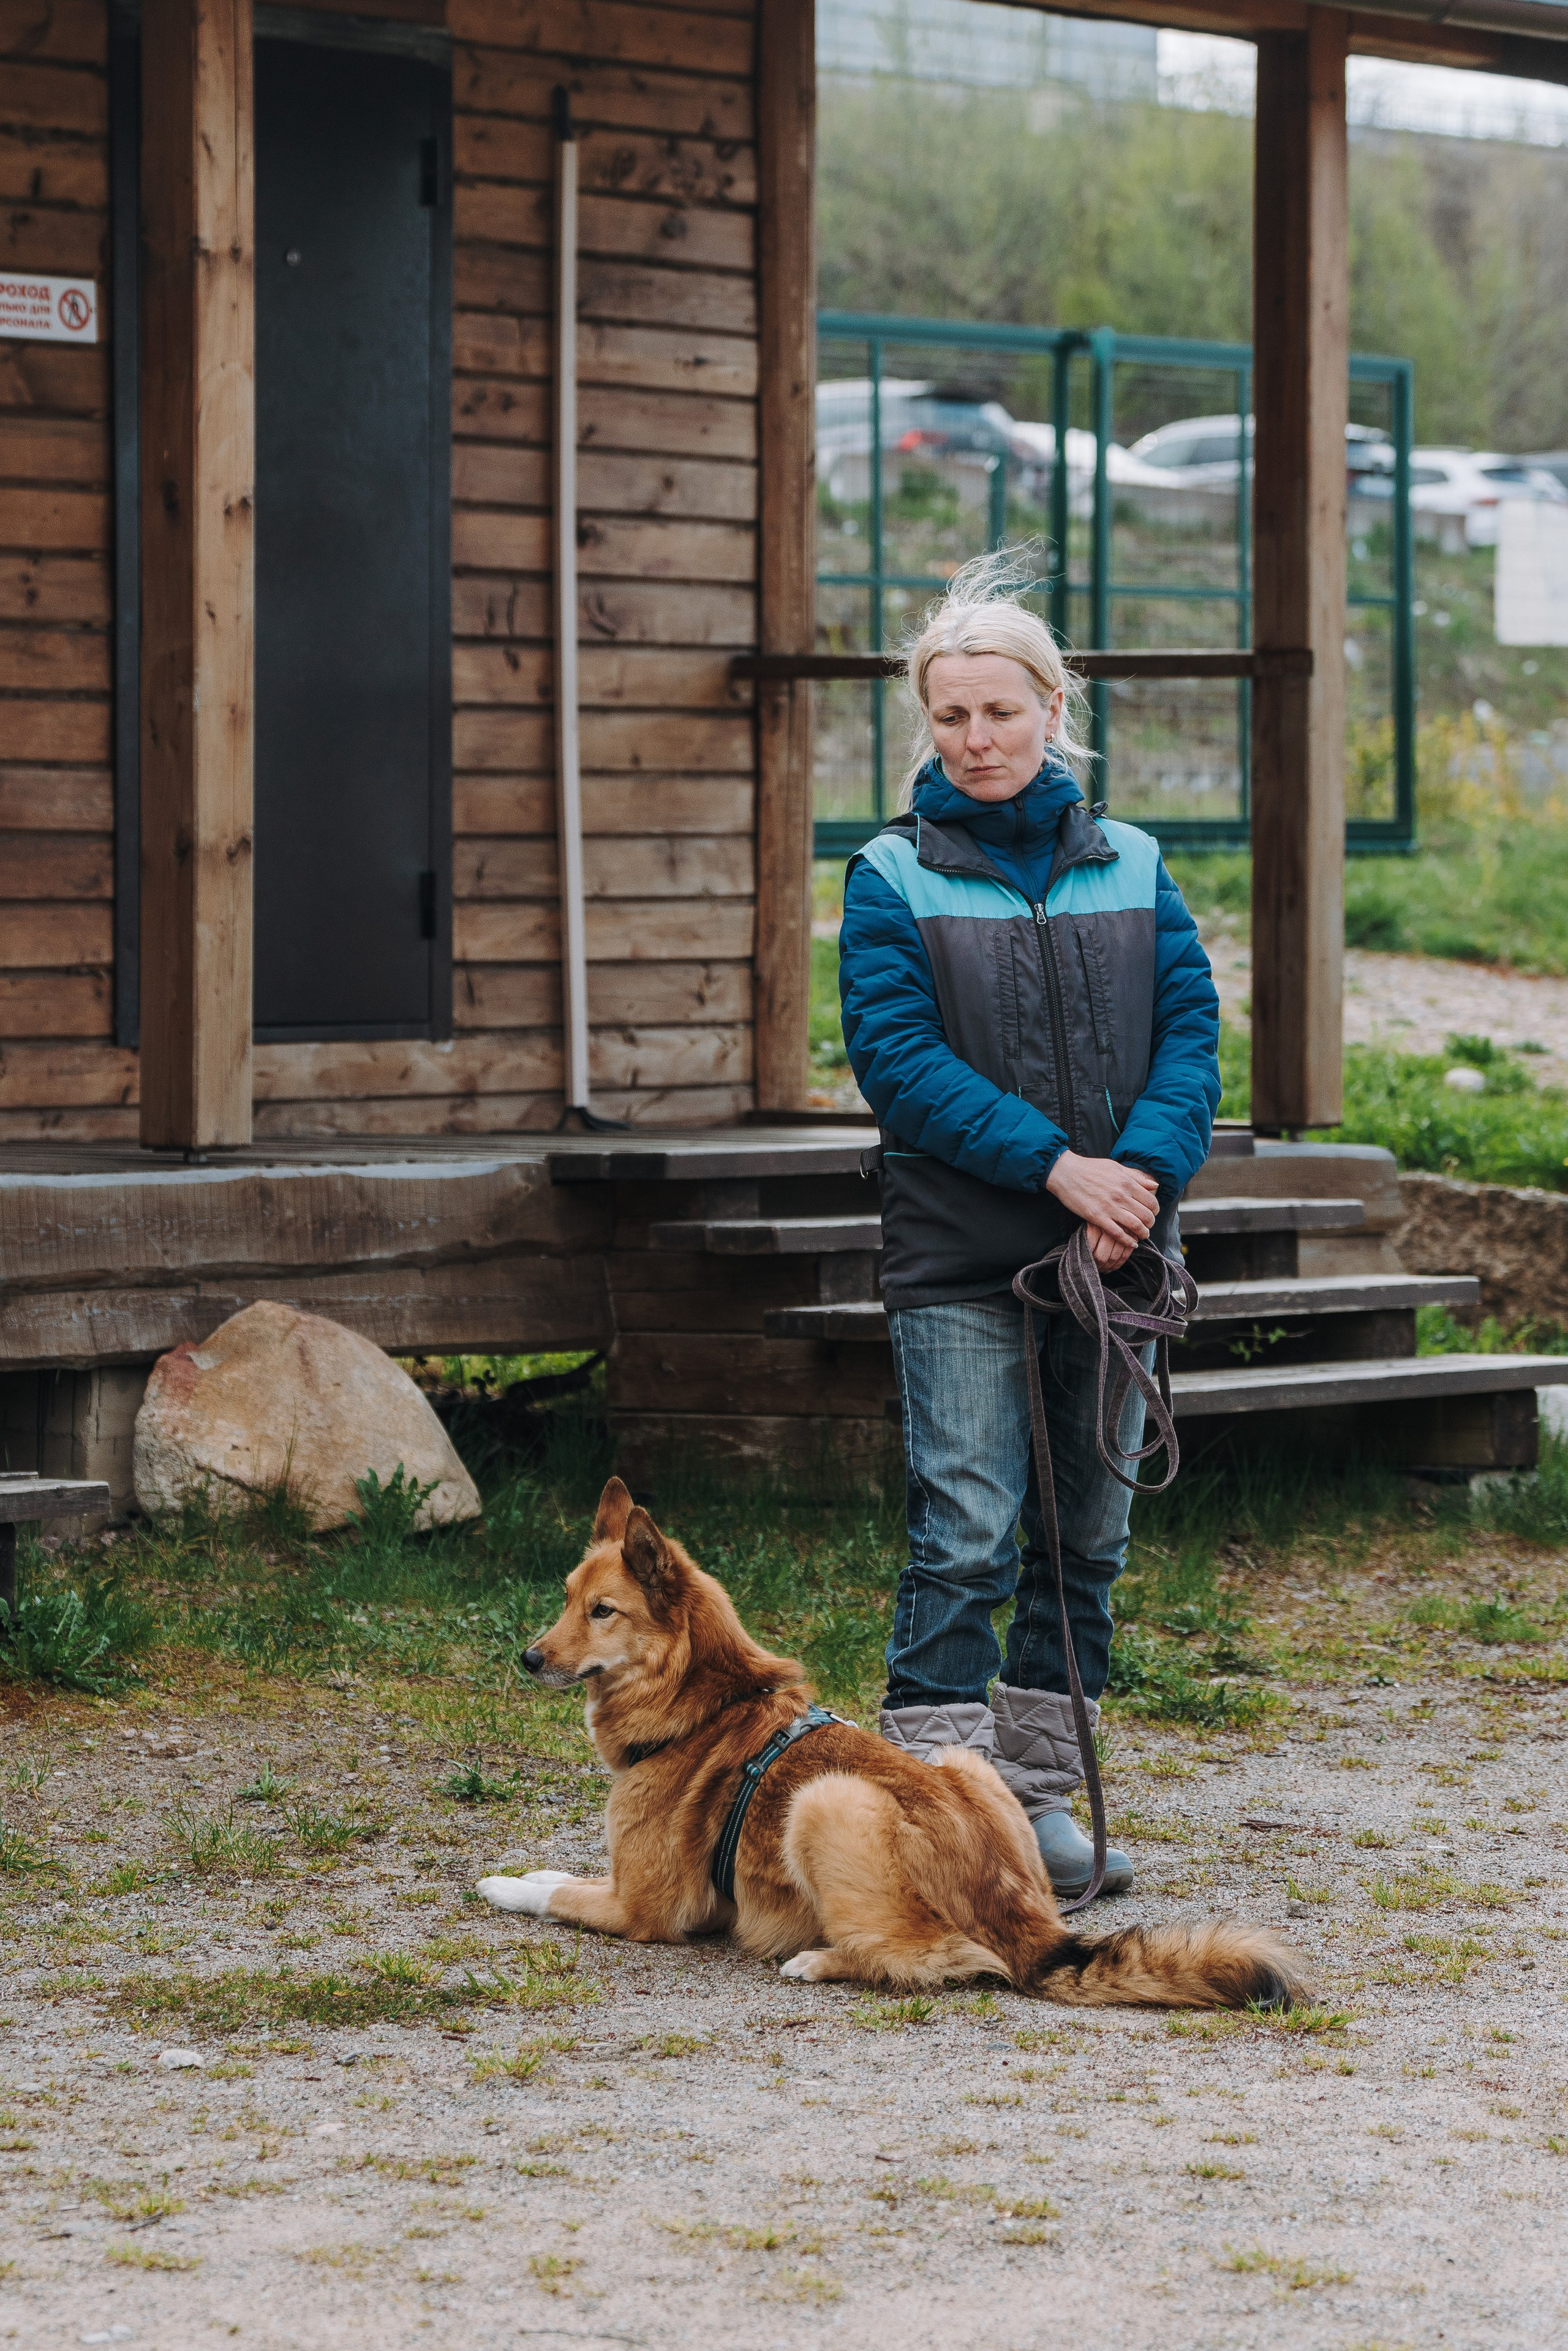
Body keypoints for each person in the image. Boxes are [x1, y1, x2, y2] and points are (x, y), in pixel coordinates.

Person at [837, 548, 1221, 1900]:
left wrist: (1140, 1179)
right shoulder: (889, 877)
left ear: (1053, 708)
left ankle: (1041, 1800)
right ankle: (940, 1806)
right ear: (925, 726)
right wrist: (1062, 1167)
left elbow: (1188, 1031)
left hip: (1120, 1250)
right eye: (950, 716)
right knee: (965, 1522)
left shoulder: (1134, 861)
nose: (977, 737)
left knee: (1089, 1533)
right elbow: (900, 1064)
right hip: (959, 1250)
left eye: (1001, 710)